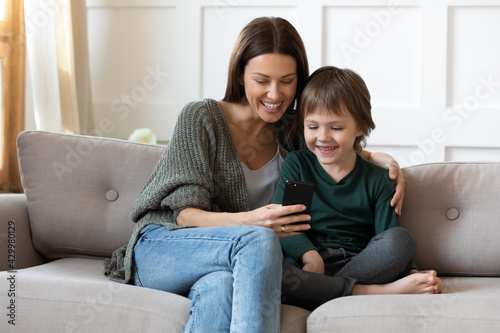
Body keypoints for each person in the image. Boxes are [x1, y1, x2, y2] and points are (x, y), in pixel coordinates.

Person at [104, 17, 406, 332]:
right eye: (262, 80)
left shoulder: (292, 129)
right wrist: (254, 221)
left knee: (220, 289)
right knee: (260, 241)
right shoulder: (201, 117)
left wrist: (383, 160)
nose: (275, 94)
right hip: (164, 248)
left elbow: (336, 145)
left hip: (227, 262)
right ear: (240, 76)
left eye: (287, 81)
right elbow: (184, 215)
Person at [272, 66, 443, 311]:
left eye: (336, 128)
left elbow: (388, 237)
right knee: (267, 269)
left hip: (360, 264)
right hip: (307, 263)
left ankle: (326, 290)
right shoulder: (299, 165)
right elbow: (286, 224)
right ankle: (373, 293)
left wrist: (414, 273)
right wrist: (310, 256)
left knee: (401, 240)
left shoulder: (379, 179)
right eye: (312, 127)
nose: (323, 137)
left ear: (361, 127)